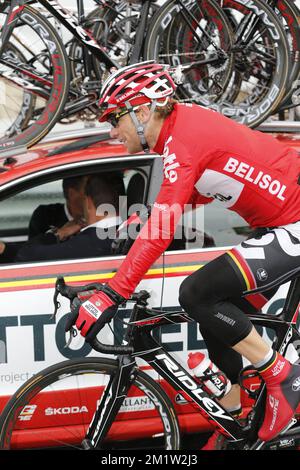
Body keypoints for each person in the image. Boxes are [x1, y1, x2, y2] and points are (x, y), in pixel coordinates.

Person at [66, 62, 300, 448]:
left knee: (196, 293)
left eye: (115, 118)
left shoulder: (184, 136)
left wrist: (112, 293)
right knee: (218, 316)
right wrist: (142, 220)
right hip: (280, 223)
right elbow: (209, 185)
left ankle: (282, 375)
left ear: (142, 111)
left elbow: (164, 226)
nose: (112, 130)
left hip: (293, 221)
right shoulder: (180, 132)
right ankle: (236, 423)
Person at [15, 173, 123, 262]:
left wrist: (58, 234)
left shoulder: (81, 247)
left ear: (88, 202)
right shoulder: (135, 233)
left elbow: (25, 255)